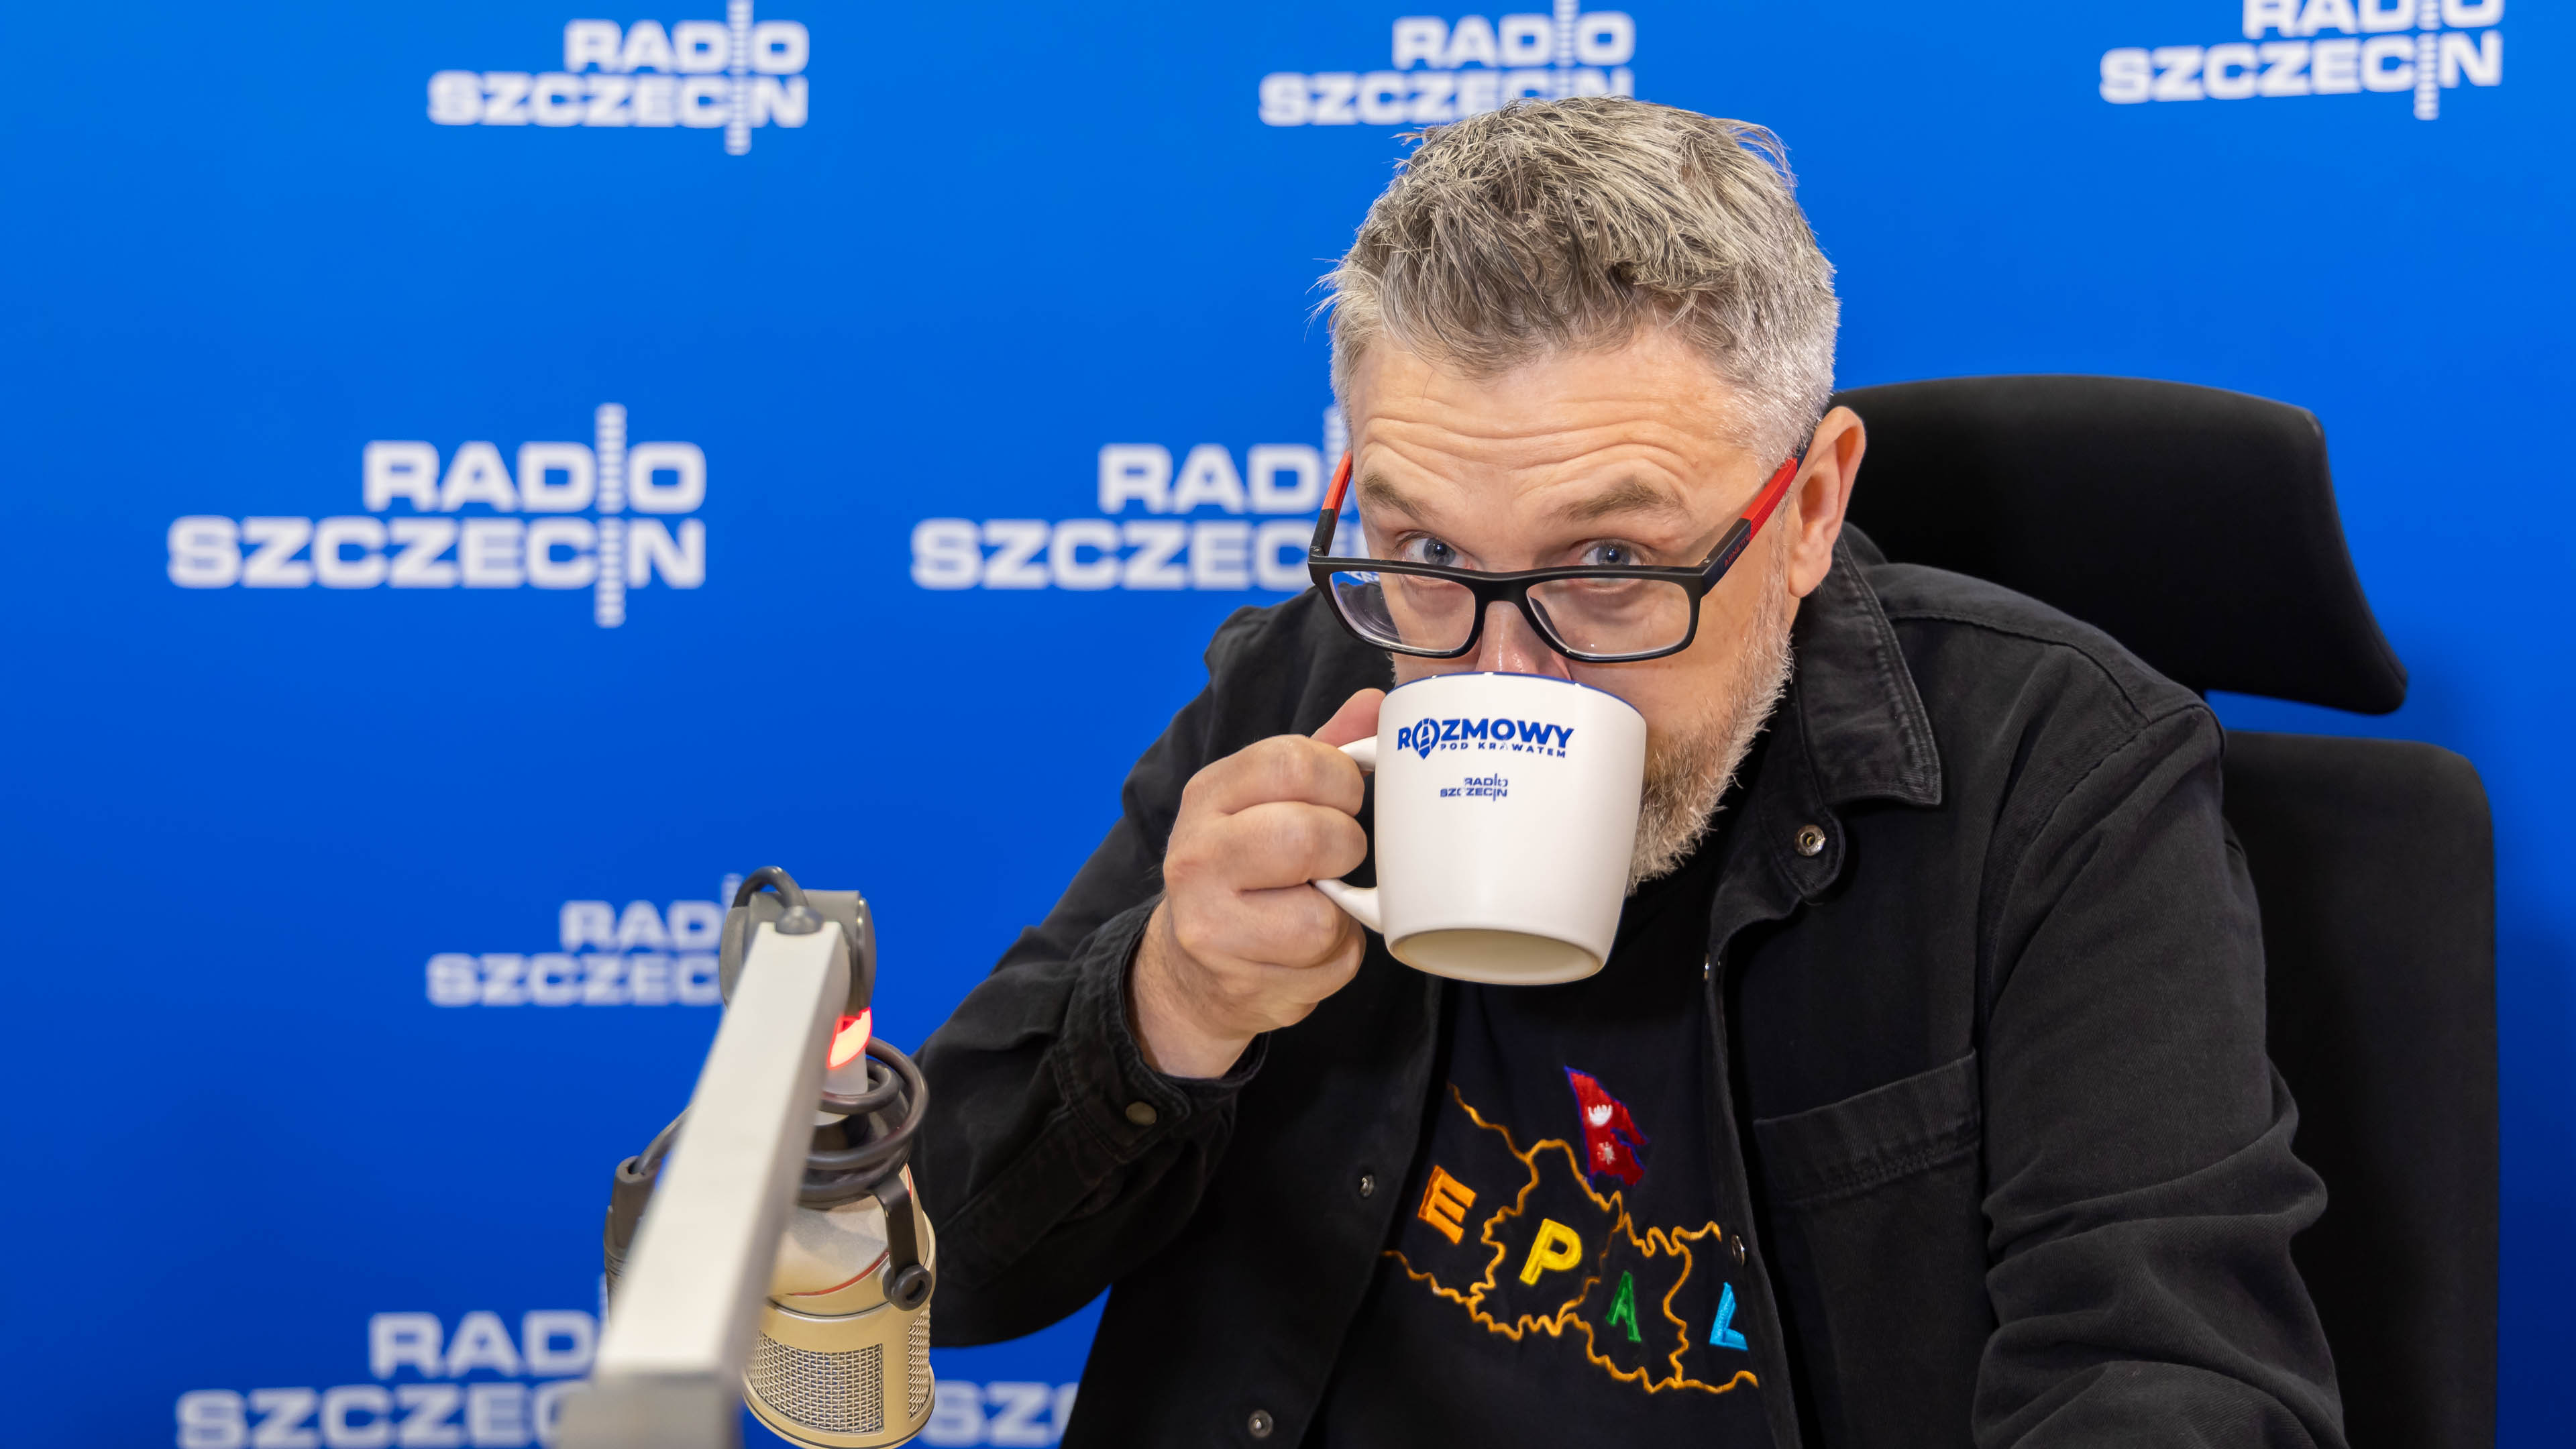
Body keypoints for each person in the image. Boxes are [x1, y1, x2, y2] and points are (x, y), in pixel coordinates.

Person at [915, 97, 2343, 1448]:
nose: (1501, 674)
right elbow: (929, 1274)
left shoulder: (2058, 772)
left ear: (1809, 510)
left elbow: (2170, 1381)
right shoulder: (1304, 686)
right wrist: (1171, 1006)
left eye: (1608, 563)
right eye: (1426, 551)